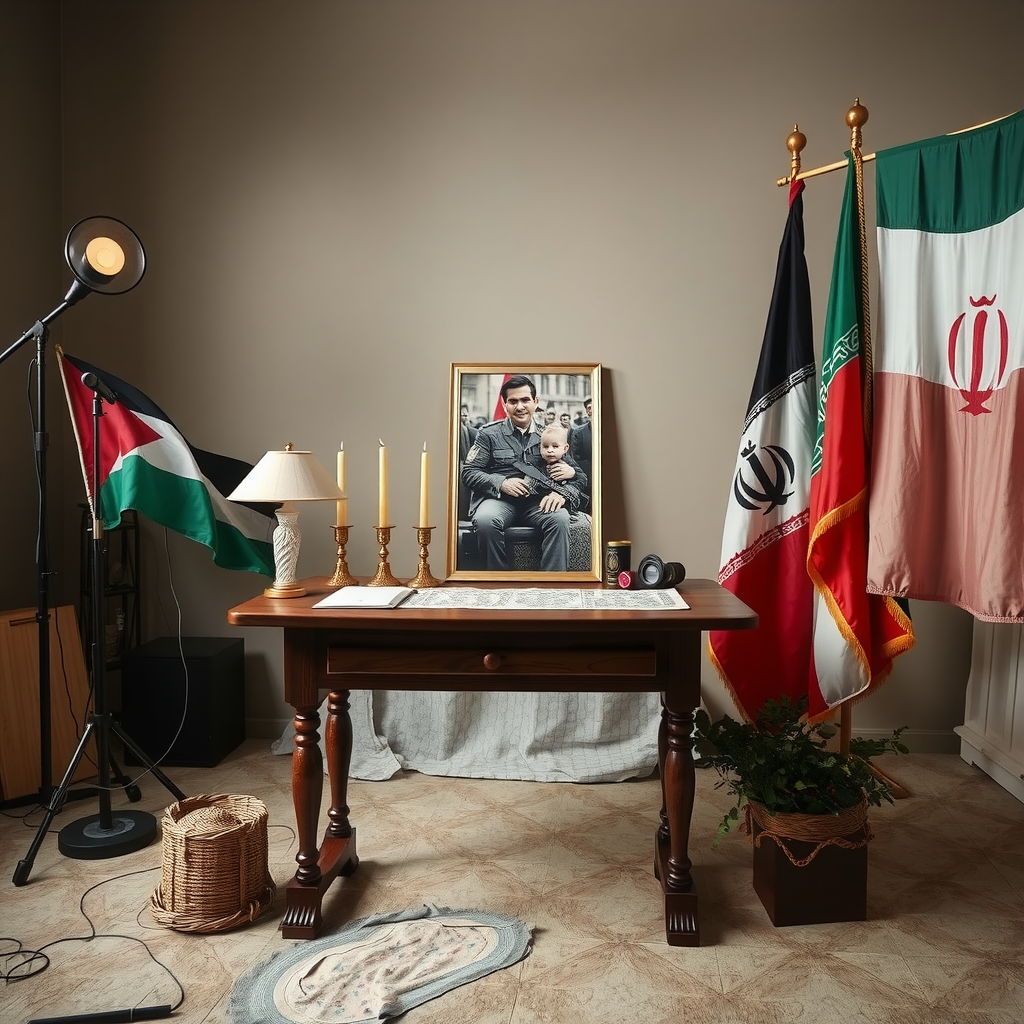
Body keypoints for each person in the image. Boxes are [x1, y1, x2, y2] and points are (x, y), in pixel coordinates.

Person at [462, 374, 586, 571]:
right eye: (513, 401)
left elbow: (579, 478)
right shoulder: (488, 434)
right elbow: (469, 472)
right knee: (485, 521)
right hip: (499, 501)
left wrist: (562, 490)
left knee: (559, 519)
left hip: (538, 503)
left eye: (525, 400)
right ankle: (498, 585)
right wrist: (501, 482)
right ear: (505, 405)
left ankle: (552, 586)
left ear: (535, 402)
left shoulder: (550, 435)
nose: (520, 406)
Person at [569, 396, 593, 510]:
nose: (593, 409)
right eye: (589, 407)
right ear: (587, 411)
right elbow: (578, 459)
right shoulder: (579, 433)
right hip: (588, 483)